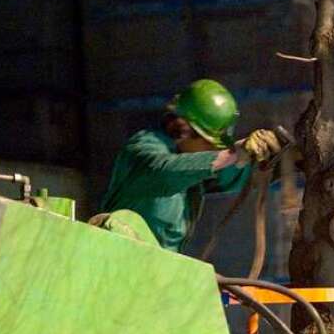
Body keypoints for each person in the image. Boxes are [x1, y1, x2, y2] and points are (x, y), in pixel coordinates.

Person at [101, 78, 282, 253]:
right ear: (184, 129)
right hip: (118, 265)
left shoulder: (192, 169)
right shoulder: (143, 148)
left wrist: (284, 164)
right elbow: (164, 171)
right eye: (209, 143)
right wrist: (233, 154)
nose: (212, 150)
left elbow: (231, 177)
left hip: (157, 271)